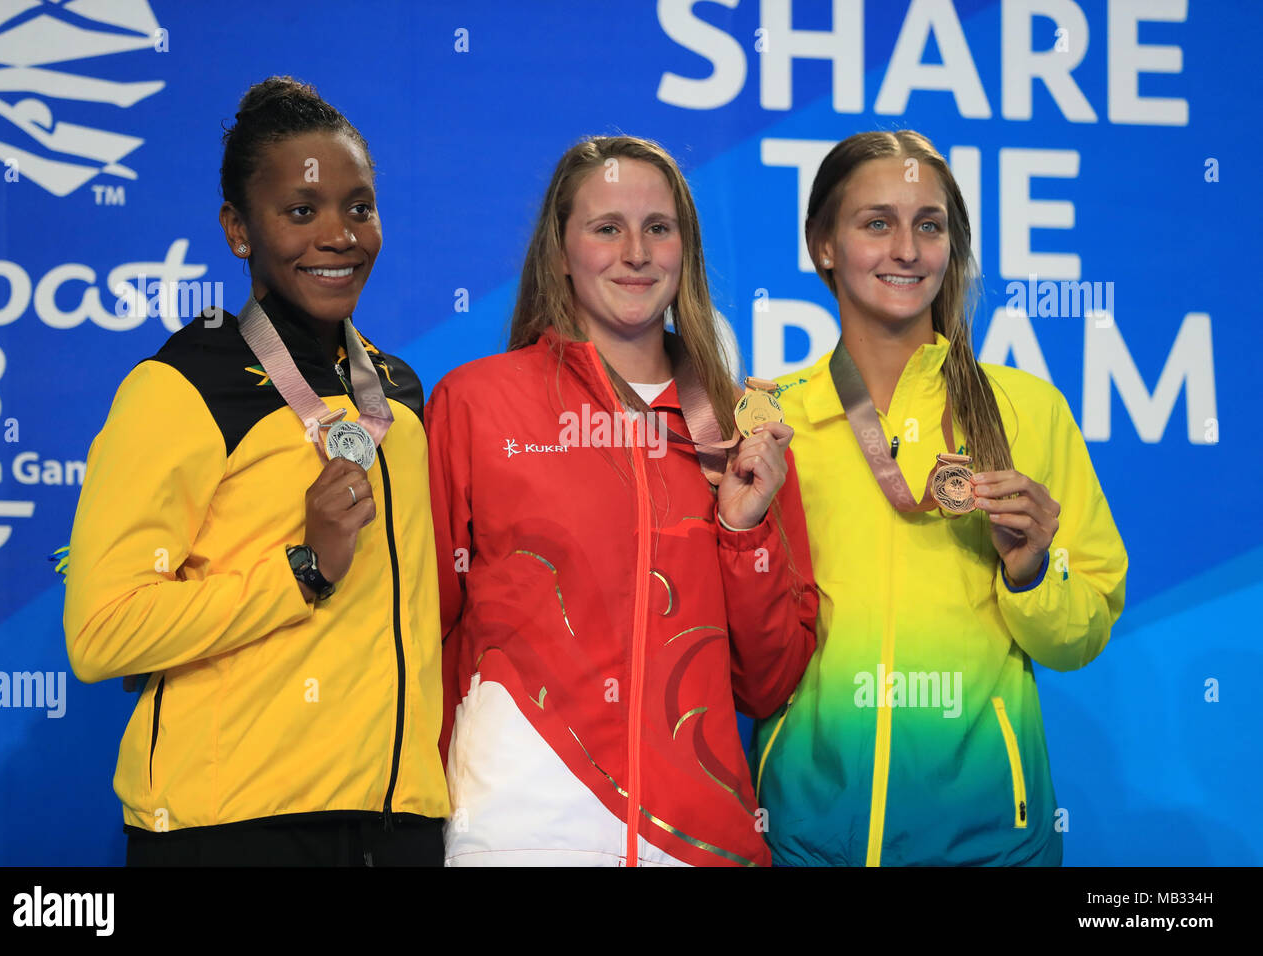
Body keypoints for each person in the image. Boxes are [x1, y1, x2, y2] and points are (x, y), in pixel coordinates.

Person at [63, 77, 448, 866]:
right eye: (301, 212)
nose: (339, 234)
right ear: (239, 230)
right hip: (235, 828)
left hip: (393, 823)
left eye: (359, 207)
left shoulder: (401, 395)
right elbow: (100, 635)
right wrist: (301, 570)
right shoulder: (180, 385)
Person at [426, 135, 817, 866]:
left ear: (685, 251)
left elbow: (768, 685)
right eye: (607, 227)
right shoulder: (476, 402)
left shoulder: (740, 429)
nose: (635, 252)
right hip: (517, 832)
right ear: (561, 250)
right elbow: (425, 633)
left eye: (658, 228)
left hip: (698, 842)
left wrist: (743, 531)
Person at [751, 130, 1128, 866]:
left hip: (990, 844)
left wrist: (1031, 571)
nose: (907, 249)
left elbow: (1081, 635)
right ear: (823, 244)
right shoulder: (770, 423)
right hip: (803, 840)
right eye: (876, 223)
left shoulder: (1028, 411)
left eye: (930, 225)